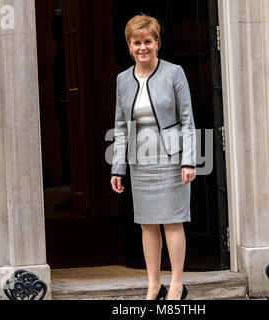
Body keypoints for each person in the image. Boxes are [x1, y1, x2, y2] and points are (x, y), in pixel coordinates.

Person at [110, 13, 196, 300]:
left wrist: (189, 161)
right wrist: (117, 168)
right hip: (140, 158)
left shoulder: (174, 72)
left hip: (172, 157)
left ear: (157, 43)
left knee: (172, 221)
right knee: (147, 224)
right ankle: (153, 284)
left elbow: (187, 120)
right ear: (129, 46)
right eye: (136, 42)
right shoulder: (123, 79)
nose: (142, 47)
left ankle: (176, 285)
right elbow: (121, 127)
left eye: (148, 41)